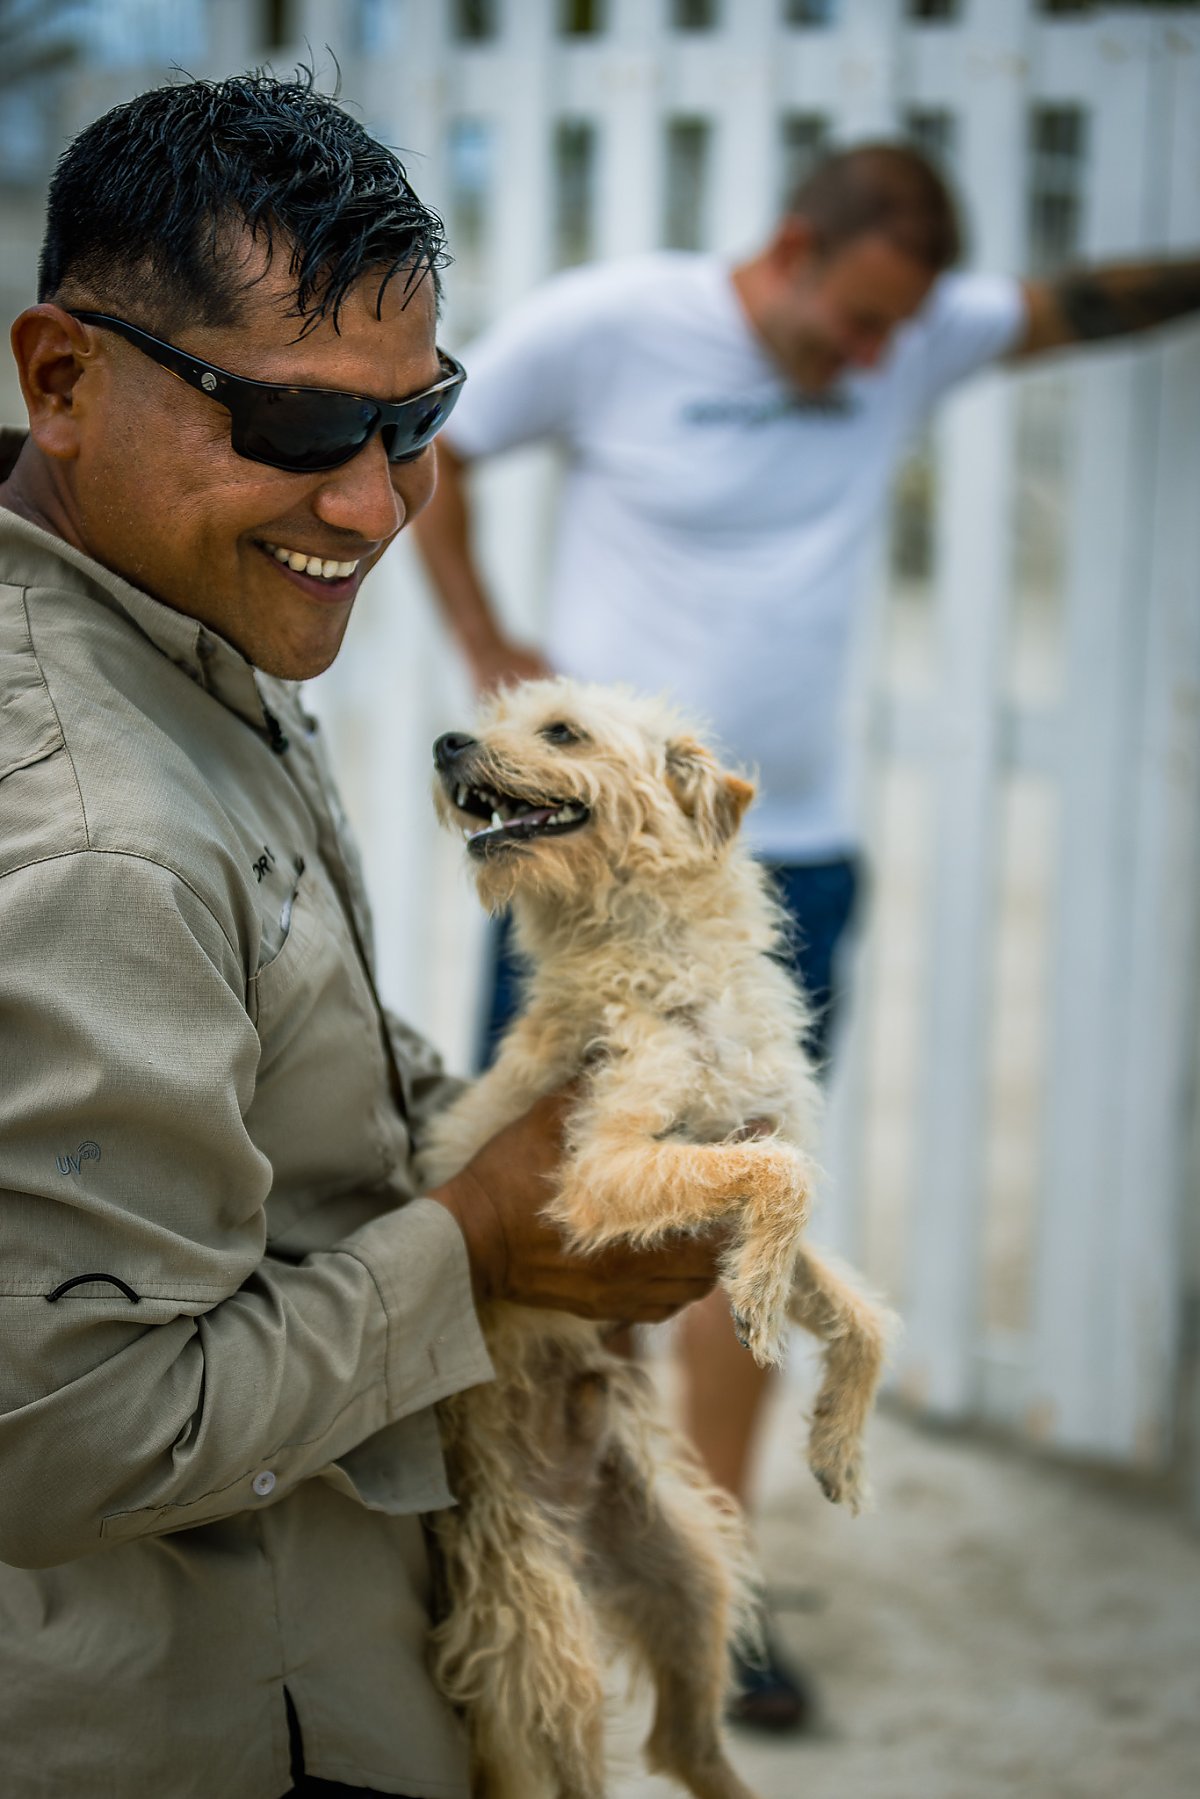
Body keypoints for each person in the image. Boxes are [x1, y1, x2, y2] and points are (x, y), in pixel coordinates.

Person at [0, 74, 729, 1799]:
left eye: (417, 423)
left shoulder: (173, 606)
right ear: (61, 377)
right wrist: (479, 1241)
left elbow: (294, 1061)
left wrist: (551, 1149)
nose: (372, 505)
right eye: (300, 427)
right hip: (211, 1719)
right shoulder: (97, 835)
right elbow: (63, 1438)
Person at [413, 142, 1200, 1729]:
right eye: (855, 321)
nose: (876, 360)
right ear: (789, 248)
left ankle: (719, 1564)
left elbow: (1086, 304)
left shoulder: (908, 333)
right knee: (570, 1215)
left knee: (746, 1224)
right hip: (592, 876)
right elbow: (440, 445)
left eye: (900, 332)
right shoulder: (617, 322)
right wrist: (493, 644)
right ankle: (552, 1542)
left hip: (798, 871)